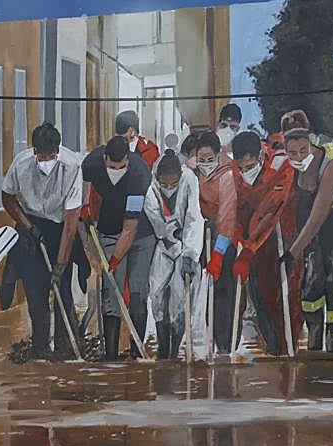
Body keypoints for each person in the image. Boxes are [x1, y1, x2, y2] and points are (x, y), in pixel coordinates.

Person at [1, 122, 83, 359]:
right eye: (40, 154)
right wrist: (28, 226)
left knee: (62, 291)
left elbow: (70, 223)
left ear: (57, 151)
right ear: (34, 150)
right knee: (36, 293)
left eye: (49, 155)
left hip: (60, 228)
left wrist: (60, 265)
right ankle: (40, 348)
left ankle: (64, 347)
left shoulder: (72, 166)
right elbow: (8, 198)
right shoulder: (22, 163)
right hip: (32, 225)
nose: (44, 159)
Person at [283, 127, 333, 353]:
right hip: (309, 212)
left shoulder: (332, 165)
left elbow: (319, 213)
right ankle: (314, 338)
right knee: (313, 278)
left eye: (302, 150)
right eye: (292, 153)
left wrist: (293, 251)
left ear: (311, 143)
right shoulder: (287, 166)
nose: (298, 157)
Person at [82, 134, 156, 359]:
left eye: (120, 166)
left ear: (127, 160)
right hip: (108, 230)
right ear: (104, 158)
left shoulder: (139, 174)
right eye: (111, 167)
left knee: (137, 289)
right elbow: (85, 195)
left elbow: (130, 228)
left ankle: (135, 352)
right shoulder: (91, 163)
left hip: (141, 236)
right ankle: (111, 356)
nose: (116, 171)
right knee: (110, 293)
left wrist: (114, 260)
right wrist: (85, 209)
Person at [231, 130, 300, 355]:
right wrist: (240, 241)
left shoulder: (281, 170)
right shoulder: (235, 175)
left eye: (249, 167)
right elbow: (234, 213)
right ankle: (274, 352)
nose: (244, 172)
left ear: (261, 155)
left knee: (284, 296)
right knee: (260, 297)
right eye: (240, 168)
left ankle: (288, 350)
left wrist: (248, 249)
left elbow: (269, 212)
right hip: (253, 246)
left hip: (280, 240)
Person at [145, 150, 205, 359]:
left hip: (185, 247)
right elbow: (153, 216)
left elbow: (194, 216)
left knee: (180, 299)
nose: (169, 188)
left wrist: (190, 253)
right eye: (165, 184)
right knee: (157, 294)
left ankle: (173, 350)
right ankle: (163, 345)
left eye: (173, 184)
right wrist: (170, 231)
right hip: (164, 245)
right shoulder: (152, 187)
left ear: (179, 176)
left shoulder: (189, 180)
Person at [194, 130, 241, 353]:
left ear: (218, 154)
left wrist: (219, 253)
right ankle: (212, 336)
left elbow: (228, 216)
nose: (205, 164)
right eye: (201, 159)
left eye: (209, 159)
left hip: (228, 234)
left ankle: (226, 344)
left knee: (225, 287)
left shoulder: (227, 174)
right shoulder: (194, 170)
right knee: (211, 286)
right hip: (204, 231)